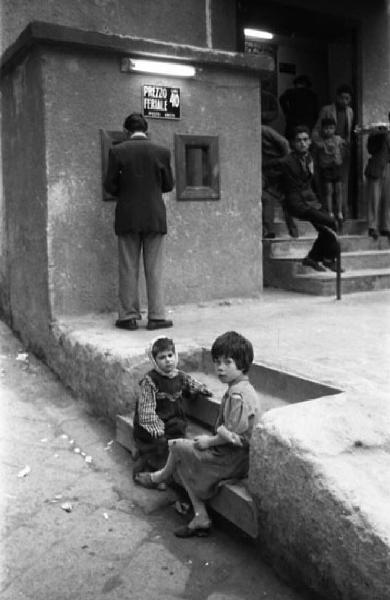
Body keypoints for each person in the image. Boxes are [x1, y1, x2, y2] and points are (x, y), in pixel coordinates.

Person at [135, 331, 259, 538]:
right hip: (229, 453)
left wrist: (209, 440)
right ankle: (201, 517)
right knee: (181, 459)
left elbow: (233, 436)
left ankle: (158, 476)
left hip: (230, 458)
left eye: (227, 362)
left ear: (243, 364)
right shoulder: (239, 388)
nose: (220, 368)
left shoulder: (238, 396)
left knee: (175, 446)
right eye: (217, 362)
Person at [104, 113, 174, 331]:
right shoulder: (162, 152)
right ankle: (157, 316)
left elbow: (109, 185)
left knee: (128, 267)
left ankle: (128, 316)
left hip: (127, 216)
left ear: (126, 131)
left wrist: (125, 191)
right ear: (147, 130)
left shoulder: (117, 151)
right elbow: (168, 185)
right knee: (155, 269)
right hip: (154, 216)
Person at [133, 336, 212, 480]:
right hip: (153, 423)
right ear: (154, 360)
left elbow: (190, 383)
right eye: (162, 357)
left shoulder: (179, 376)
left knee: (177, 433)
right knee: (160, 442)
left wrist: (200, 389)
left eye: (170, 355)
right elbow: (146, 408)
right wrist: (156, 427)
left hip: (173, 420)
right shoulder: (150, 381)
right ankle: (154, 469)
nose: (168, 360)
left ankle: (165, 469)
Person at [281, 126, 341, 272]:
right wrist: (289, 221)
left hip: (311, 200)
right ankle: (327, 259)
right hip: (297, 203)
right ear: (293, 143)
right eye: (299, 140)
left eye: (305, 140)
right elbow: (285, 190)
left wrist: (322, 203)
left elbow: (315, 183)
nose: (302, 143)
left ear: (309, 142)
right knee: (329, 223)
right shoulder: (286, 162)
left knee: (329, 226)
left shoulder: (310, 158)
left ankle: (313, 258)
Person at [313, 85, 354, 218]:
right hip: (326, 153)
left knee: (341, 184)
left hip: (341, 152)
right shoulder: (327, 110)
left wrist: (346, 146)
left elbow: (348, 132)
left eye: (347, 98)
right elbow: (316, 130)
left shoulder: (350, 112)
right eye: (342, 98)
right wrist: (322, 145)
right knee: (327, 184)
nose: (344, 101)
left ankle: (342, 210)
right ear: (337, 97)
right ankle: (327, 210)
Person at [261, 122, 297, 238]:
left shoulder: (264, 131)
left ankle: (292, 229)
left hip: (279, 167)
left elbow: (284, 143)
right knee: (265, 198)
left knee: (286, 199)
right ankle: (266, 230)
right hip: (264, 170)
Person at [312, 117, 347, 232]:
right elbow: (316, 145)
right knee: (328, 190)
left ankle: (340, 212)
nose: (329, 131)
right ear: (322, 129)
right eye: (326, 128)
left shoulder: (338, 139)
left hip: (337, 167)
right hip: (326, 168)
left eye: (331, 128)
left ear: (335, 129)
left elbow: (345, 145)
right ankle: (330, 212)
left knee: (338, 190)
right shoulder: (320, 142)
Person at [364, 115, 390, 240]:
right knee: (374, 198)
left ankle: (386, 227)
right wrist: (379, 135)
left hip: (388, 168)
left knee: (388, 200)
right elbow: (370, 149)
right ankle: (372, 226)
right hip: (376, 167)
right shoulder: (378, 131)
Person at [279, 75, 319, 141]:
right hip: (307, 123)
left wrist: (287, 113)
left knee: (292, 141)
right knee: (305, 142)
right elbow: (315, 112)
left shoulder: (291, 92)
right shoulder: (312, 95)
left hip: (293, 122)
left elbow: (281, 99)